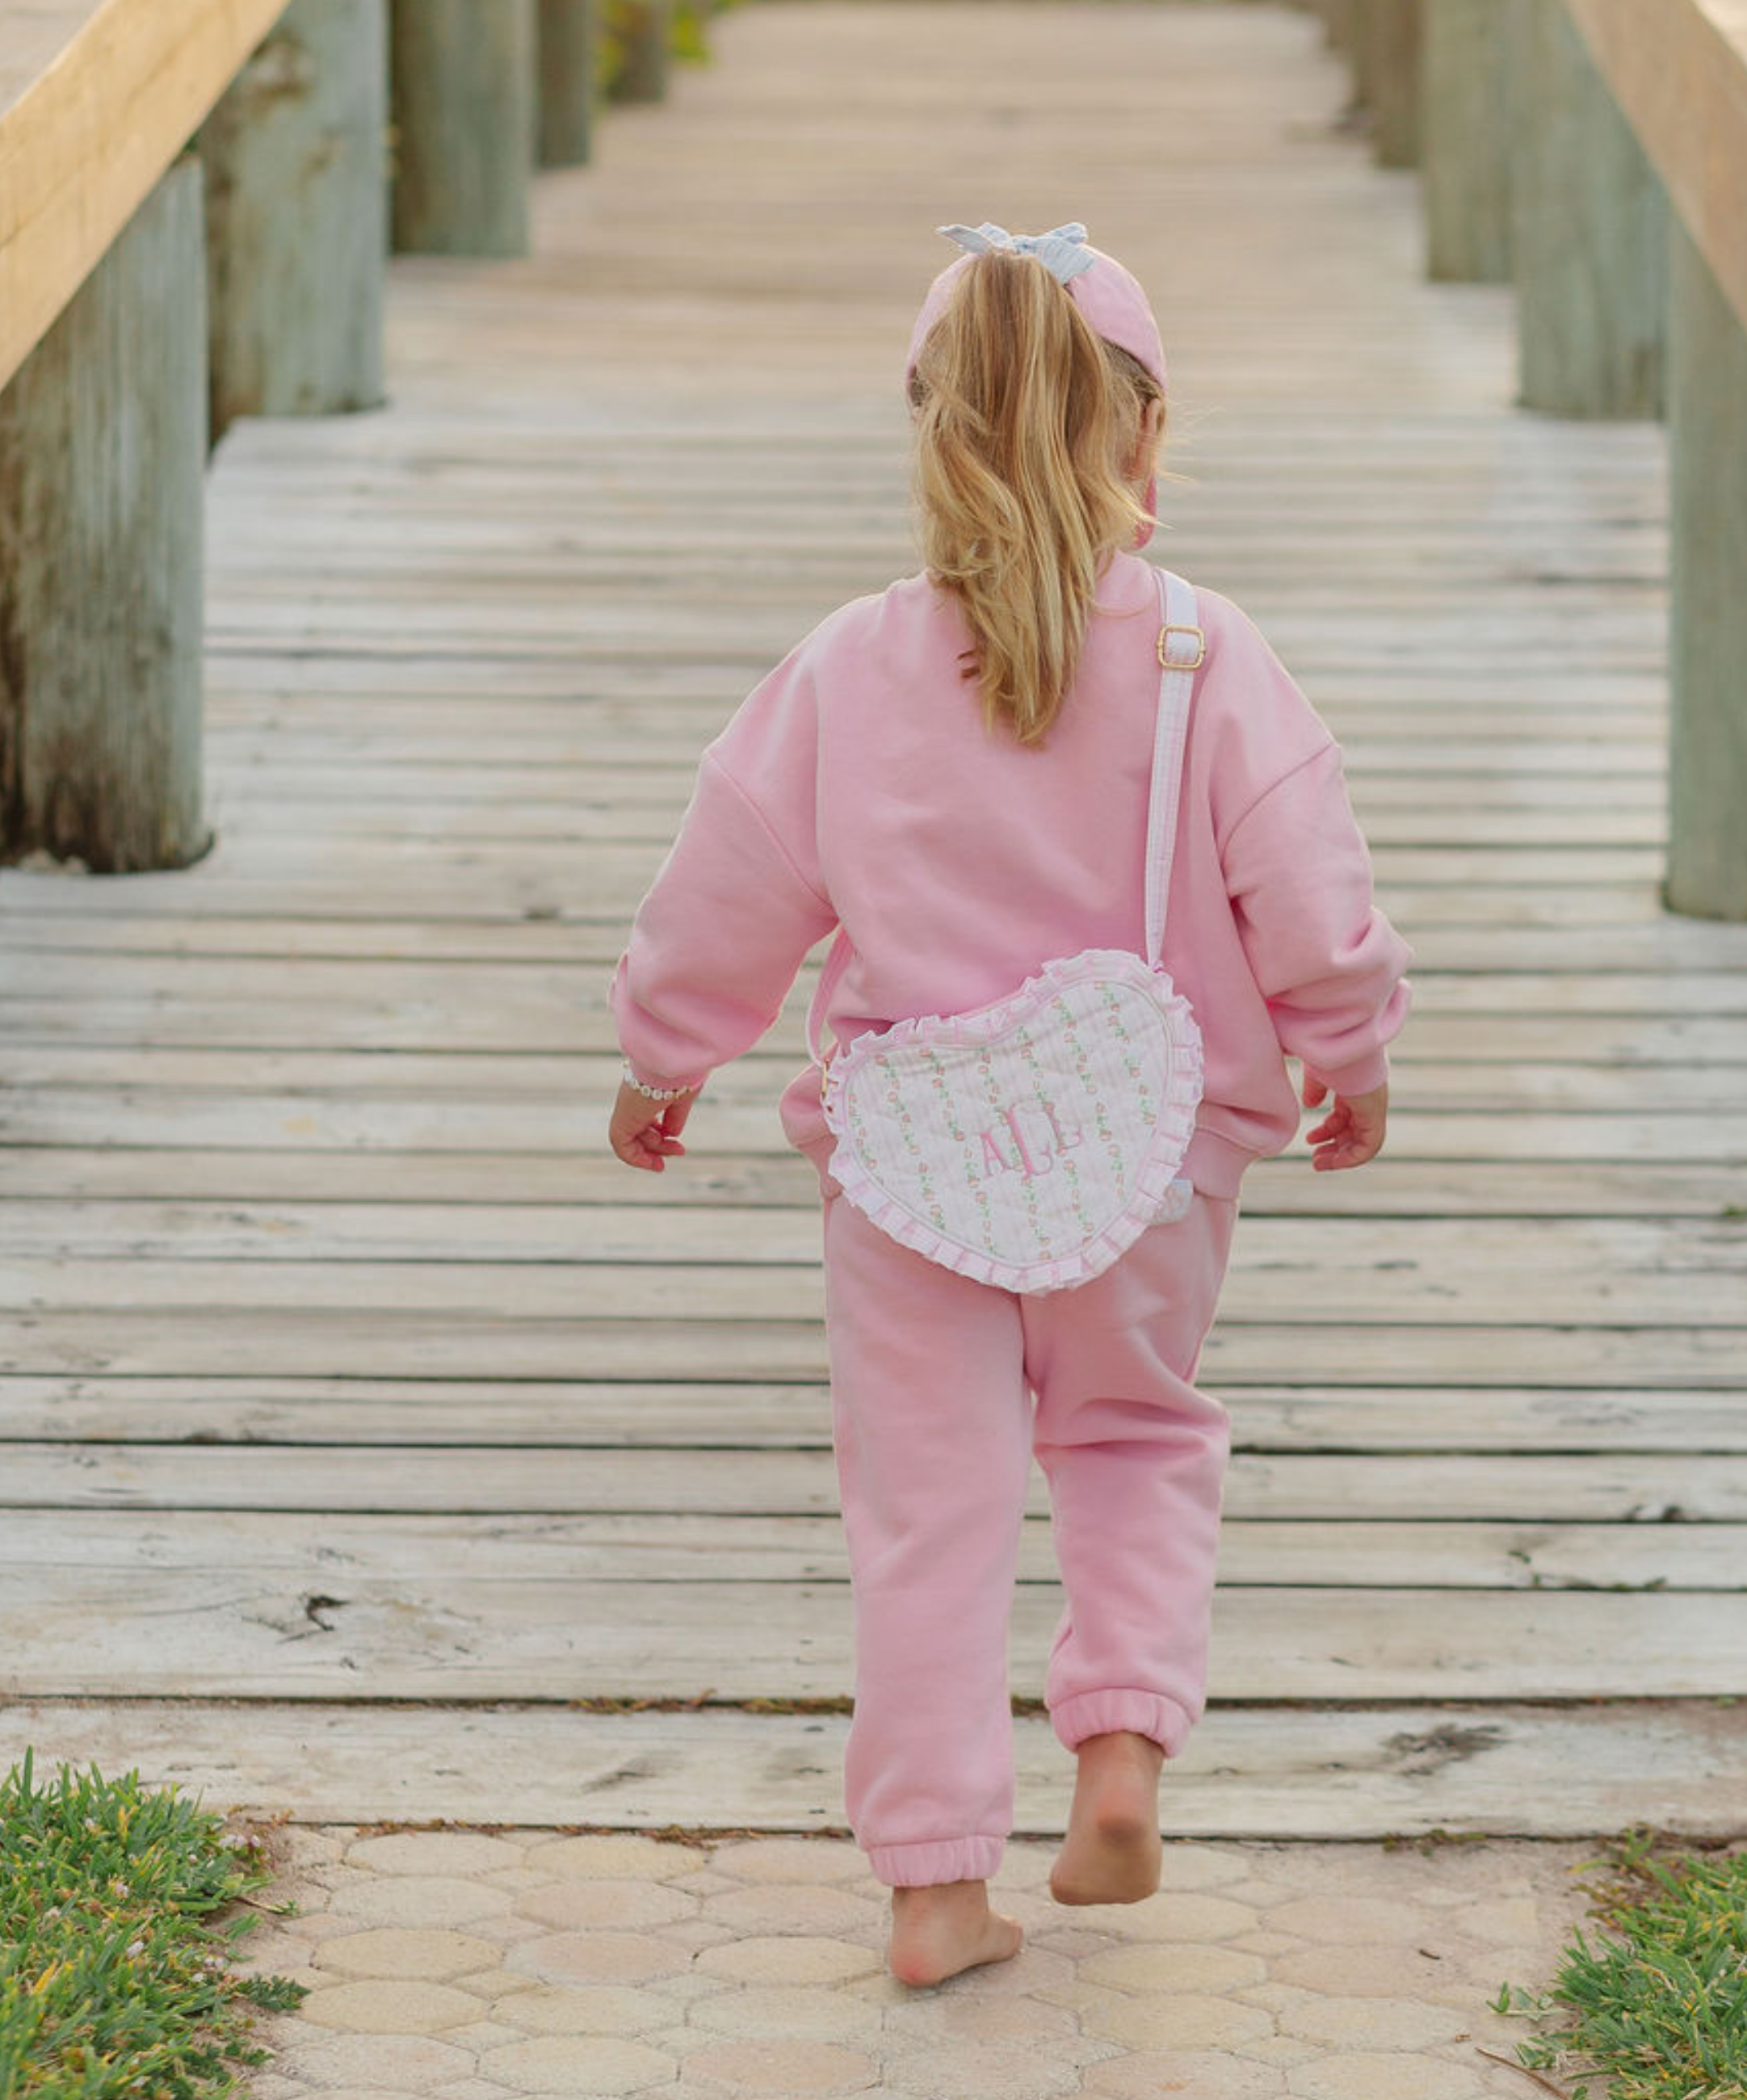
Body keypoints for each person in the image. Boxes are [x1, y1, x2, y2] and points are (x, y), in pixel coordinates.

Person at [605, 220, 1413, 1989]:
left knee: (930, 1498)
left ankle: (934, 1886)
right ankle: (1118, 1753)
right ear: (1143, 436)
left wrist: (669, 1049)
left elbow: (729, 880)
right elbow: (1308, 890)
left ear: (931, 438)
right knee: (1128, 1436)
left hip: (911, 1164)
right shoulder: (1212, 662)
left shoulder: (848, 668)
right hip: (1150, 1147)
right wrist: (1343, 1051)